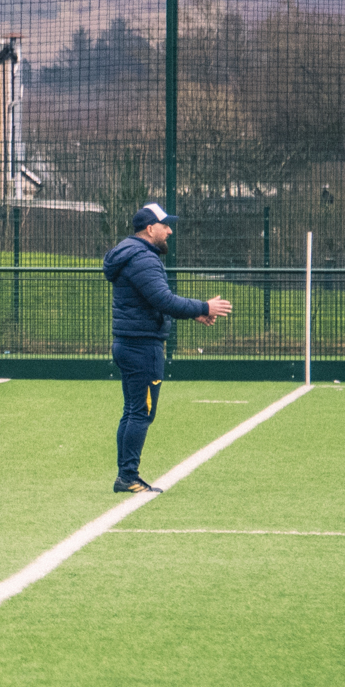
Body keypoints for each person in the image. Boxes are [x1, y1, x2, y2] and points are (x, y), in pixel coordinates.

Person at [104, 202, 231, 494]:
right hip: (142, 346)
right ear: (150, 229)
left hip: (128, 343)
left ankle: (125, 475)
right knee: (141, 413)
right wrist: (204, 307)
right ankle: (128, 476)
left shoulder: (130, 253)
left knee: (133, 410)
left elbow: (153, 300)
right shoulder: (143, 258)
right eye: (165, 226)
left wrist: (194, 313)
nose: (170, 231)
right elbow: (163, 300)